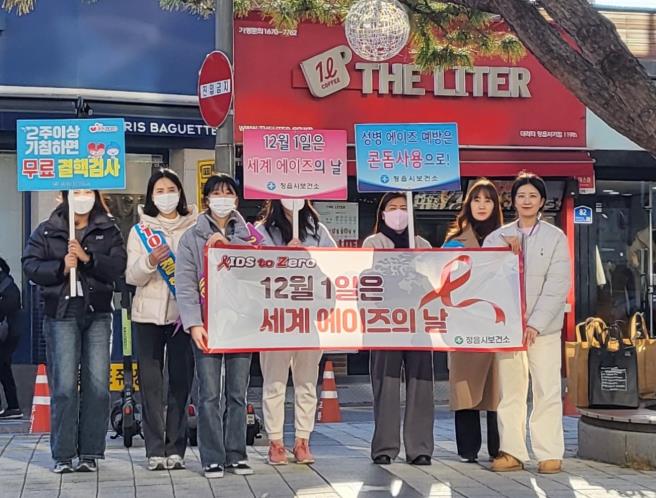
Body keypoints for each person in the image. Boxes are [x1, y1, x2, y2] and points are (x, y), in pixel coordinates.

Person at [22, 190, 126, 473]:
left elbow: (118, 266)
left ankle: (90, 452)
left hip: (98, 313)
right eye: (77, 191)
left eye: (87, 191)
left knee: (98, 387)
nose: (82, 197)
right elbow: (30, 265)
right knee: (65, 388)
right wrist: (60, 267)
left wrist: (88, 258)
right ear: (66, 195)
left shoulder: (108, 228)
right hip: (61, 314)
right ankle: (64, 454)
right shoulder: (48, 229)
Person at [484, 172, 571, 474]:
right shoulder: (496, 238)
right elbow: (485, 280)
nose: (527, 201)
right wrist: (504, 254)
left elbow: (557, 284)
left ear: (542, 201)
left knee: (547, 389)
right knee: (511, 392)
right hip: (508, 330)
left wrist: (535, 323)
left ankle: (549, 452)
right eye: (521, 196)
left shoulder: (555, 237)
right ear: (513, 201)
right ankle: (512, 451)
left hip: (543, 331)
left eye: (533, 196)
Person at [176, 173, 255, 479]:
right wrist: (194, 324)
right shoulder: (190, 238)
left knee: (237, 394)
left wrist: (229, 246)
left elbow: (260, 272)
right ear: (206, 200)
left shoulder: (249, 235)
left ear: (236, 199)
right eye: (216, 194)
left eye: (228, 193)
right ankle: (211, 457)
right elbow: (185, 286)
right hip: (207, 324)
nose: (223, 199)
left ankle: (237, 454)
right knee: (209, 394)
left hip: (242, 324)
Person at [126, 168, 197, 471]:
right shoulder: (140, 231)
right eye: (160, 191)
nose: (166, 196)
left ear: (180, 193)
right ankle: (154, 449)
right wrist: (150, 260)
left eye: (171, 189)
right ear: (151, 196)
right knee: (151, 385)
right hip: (147, 316)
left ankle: (176, 448)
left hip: (184, 316)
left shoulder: (194, 227)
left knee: (180, 382)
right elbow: (132, 276)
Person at [257, 199, 336, 466]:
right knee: (274, 382)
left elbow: (334, 267)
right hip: (275, 318)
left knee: (306, 382)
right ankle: (275, 442)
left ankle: (303, 440)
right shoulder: (263, 230)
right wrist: (283, 257)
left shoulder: (318, 231)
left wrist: (307, 258)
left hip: (308, 317)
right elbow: (253, 269)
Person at [362, 192, 434, 466]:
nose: (398, 212)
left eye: (404, 207)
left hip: (418, 323)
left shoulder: (422, 244)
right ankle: (384, 447)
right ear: (382, 214)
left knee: (421, 386)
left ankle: (420, 448)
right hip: (385, 323)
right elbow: (366, 280)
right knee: (386, 386)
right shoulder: (373, 243)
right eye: (392, 207)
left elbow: (434, 282)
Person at [442, 178, 504, 463]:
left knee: (497, 390)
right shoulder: (454, 241)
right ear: (468, 205)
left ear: (495, 206)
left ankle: (499, 447)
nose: (482, 205)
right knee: (465, 387)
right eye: (476, 200)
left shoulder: (507, 240)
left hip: (497, 324)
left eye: (488, 200)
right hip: (464, 323)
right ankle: (468, 449)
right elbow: (443, 281)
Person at [0, 257, 22, 419]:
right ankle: (13, 407)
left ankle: (13, 407)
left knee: (3, 368)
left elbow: (9, 307)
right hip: (8, 333)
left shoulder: (6, 285)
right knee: (4, 369)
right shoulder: (8, 284)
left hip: (6, 334)